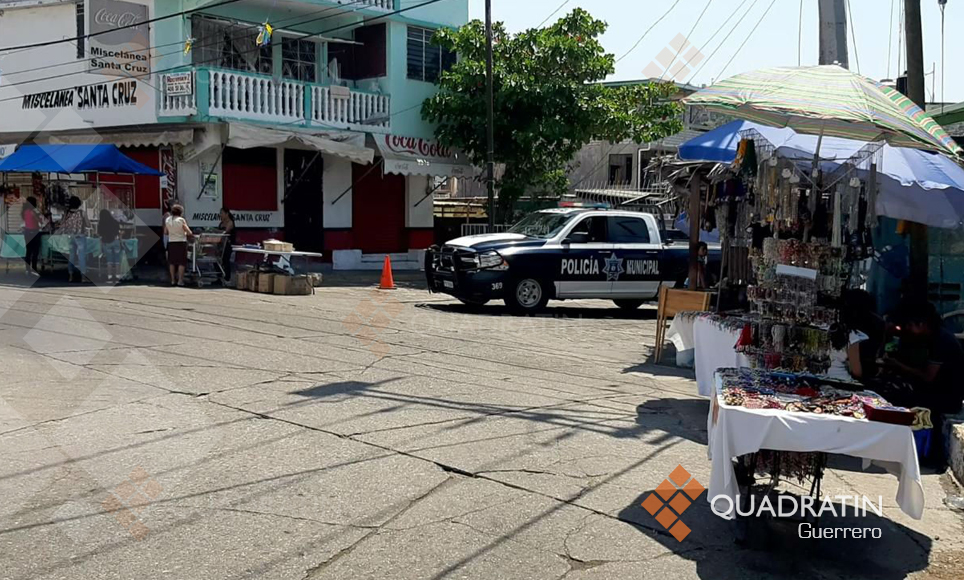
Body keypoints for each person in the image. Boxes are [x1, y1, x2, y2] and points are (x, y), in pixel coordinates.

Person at [58, 196, 90, 283]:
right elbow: (88, 224)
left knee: (71, 256)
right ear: (79, 204)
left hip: (70, 236)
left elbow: (62, 225)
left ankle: (70, 276)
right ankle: (83, 277)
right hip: (80, 236)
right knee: (81, 256)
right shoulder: (82, 213)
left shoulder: (66, 213)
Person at [164, 204, 193, 286]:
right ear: (180, 212)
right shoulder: (181, 220)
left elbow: (165, 232)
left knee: (172, 262)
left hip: (171, 242)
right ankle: (180, 280)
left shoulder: (168, 220)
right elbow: (189, 232)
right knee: (181, 262)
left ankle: (173, 280)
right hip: (181, 242)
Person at [98, 209, 121, 282]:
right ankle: (117, 276)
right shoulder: (114, 222)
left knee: (109, 261)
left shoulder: (101, 223)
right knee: (117, 260)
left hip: (106, 242)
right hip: (115, 240)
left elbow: (99, 233)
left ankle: (110, 277)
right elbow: (118, 231)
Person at [21, 196, 42, 276]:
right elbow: (39, 220)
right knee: (35, 252)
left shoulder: (24, 211)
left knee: (28, 251)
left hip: (27, 232)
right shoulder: (33, 211)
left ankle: (27, 269)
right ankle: (34, 269)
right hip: (34, 232)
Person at [219, 207, 236, 282]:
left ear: (227, 214)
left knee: (225, 260)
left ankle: (227, 277)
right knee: (217, 260)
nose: (221, 215)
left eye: (222, 213)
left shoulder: (230, 222)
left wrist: (220, 233)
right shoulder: (221, 223)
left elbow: (226, 232)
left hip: (228, 244)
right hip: (220, 244)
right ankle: (219, 276)